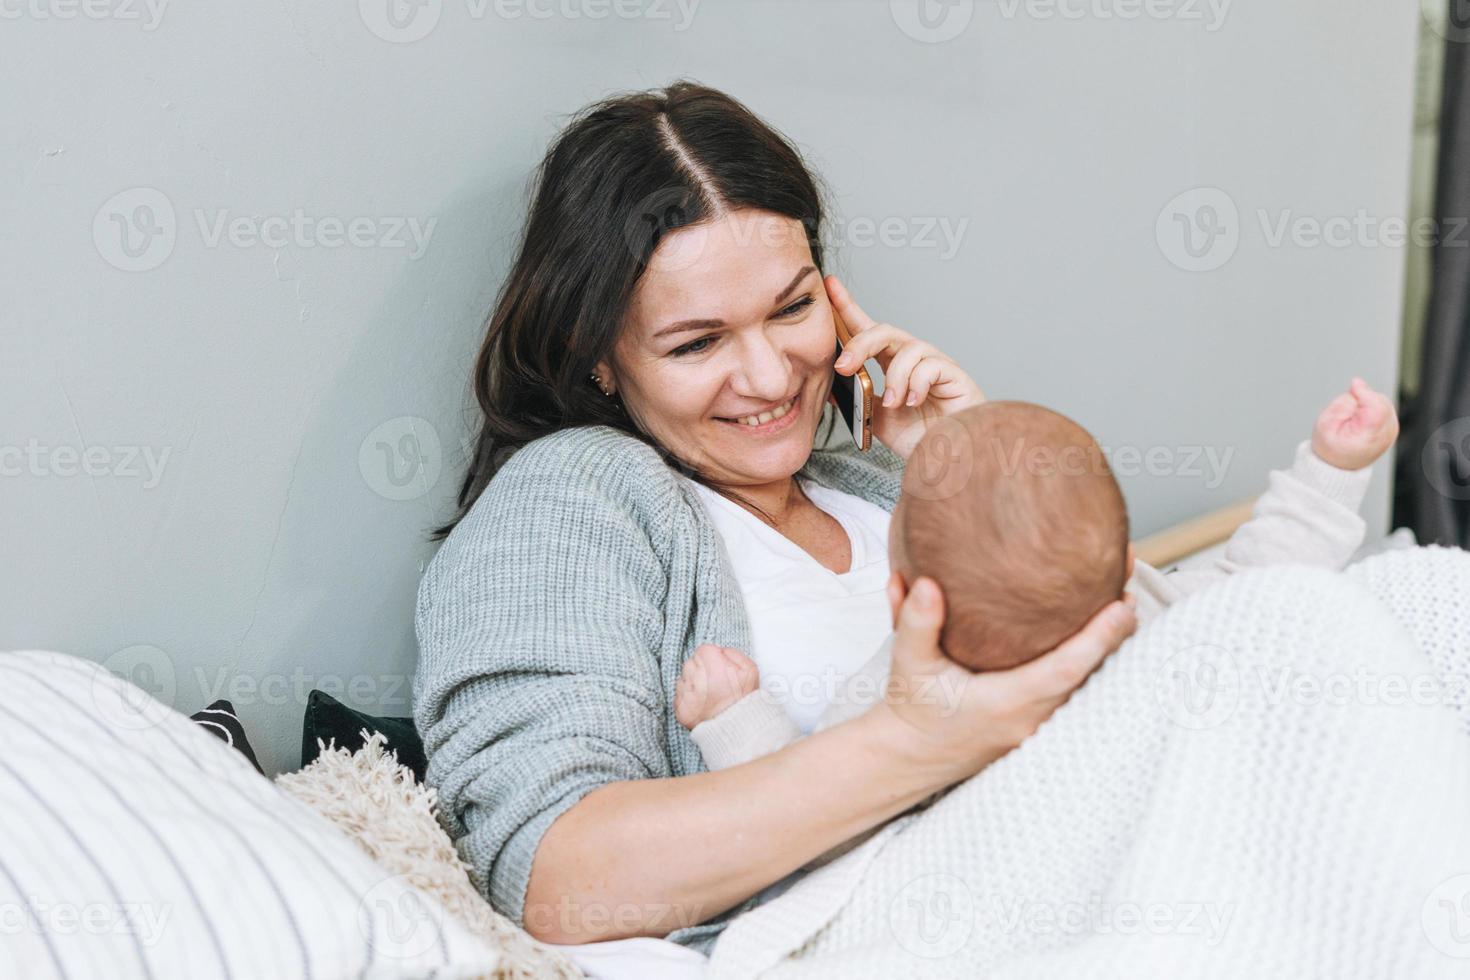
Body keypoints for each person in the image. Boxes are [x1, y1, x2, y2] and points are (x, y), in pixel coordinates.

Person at [412, 80, 1137, 952]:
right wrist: (914, 743)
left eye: (793, 308)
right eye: (698, 342)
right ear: (596, 354)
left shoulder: (877, 480)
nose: (770, 375)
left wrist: (973, 469)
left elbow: (1124, 641)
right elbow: (559, 874)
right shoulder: (576, 493)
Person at [673, 385, 1400, 858]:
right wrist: (1332, 469)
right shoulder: (1147, 608)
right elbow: (1268, 587)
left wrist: (732, 714)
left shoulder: (902, 699)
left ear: (900, 603)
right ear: (1123, 566)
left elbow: (804, 814)